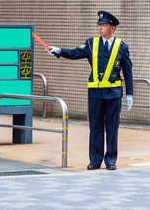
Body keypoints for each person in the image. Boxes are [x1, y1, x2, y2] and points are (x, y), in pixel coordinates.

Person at [48, 11, 133, 171]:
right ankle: (95, 160)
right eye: (99, 25)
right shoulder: (91, 43)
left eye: (104, 25)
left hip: (114, 93)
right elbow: (74, 53)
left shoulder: (122, 46)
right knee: (95, 128)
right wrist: (59, 51)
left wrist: (129, 93)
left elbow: (127, 71)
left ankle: (111, 160)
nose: (100, 27)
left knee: (112, 128)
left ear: (112, 28)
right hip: (95, 94)